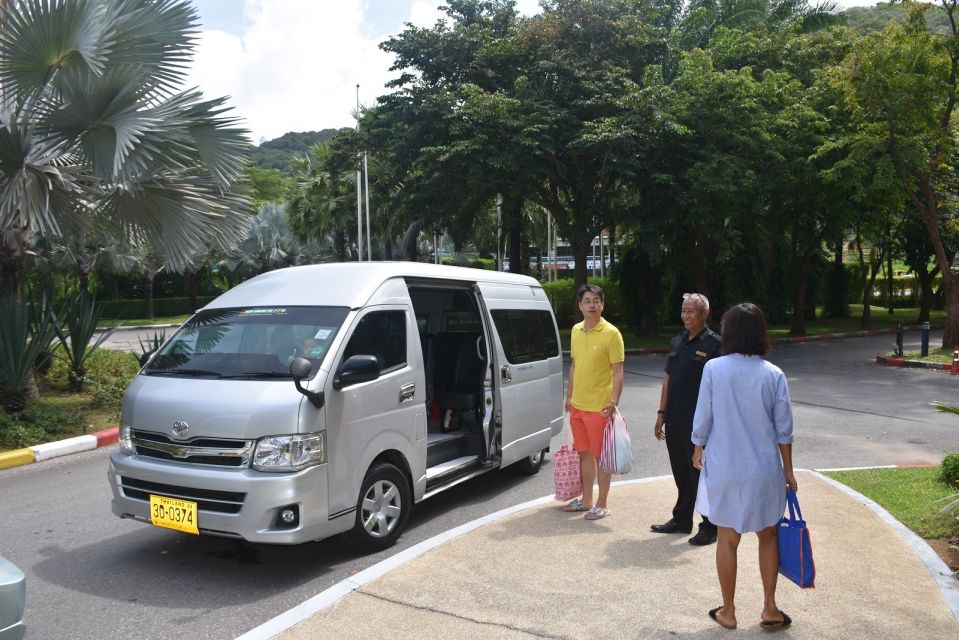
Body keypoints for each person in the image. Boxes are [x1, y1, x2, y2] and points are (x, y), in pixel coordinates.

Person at [691, 302, 797, 631]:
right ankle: (769, 608)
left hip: (725, 466)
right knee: (768, 536)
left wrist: (698, 446)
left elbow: (703, 416)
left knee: (727, 538)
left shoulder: (714, 369)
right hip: (765, 467)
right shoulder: (773, 374)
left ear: (728, 333)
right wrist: (789, 471)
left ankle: (729, 611)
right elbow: (784, 428)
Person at [651, 292, 721, 545]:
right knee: (681, 472)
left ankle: (710, 525)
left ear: (705, 314)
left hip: (700, 424)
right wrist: (661, 413)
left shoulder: (715, 345)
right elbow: (668, 379)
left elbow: (719, 388)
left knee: (699, 474)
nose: (685, 315)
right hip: (675, 418)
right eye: (683, 311)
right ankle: (681, 519)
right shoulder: (677, 341)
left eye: (691, 311)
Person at [562, 284, 625, 521]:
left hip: (600, 408)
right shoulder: (576, 331)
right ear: (580, 306)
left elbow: (618, 371)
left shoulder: (611, 333)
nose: (592, 305)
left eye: (596, 301)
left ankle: (602, 503)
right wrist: (569, 396)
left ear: (602, 305)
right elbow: (575, 365)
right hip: (578, 405)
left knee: (601, 457)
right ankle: (586, 500)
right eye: (587, 301)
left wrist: (614, 401)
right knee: (584, 454)